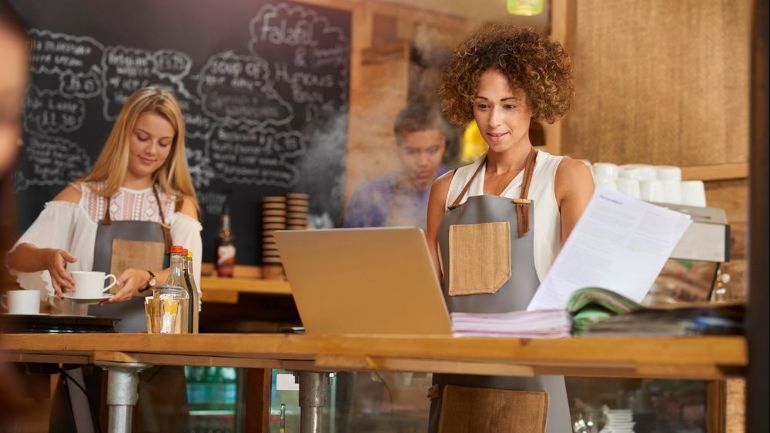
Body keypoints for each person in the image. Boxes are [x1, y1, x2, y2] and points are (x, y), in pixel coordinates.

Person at [425, 24, 594, 433]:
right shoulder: (446, 190)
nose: (494, 121)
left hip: (532, 381)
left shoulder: (566, 177)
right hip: (457, 379)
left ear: (535, 102)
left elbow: (581, 295)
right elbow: (428, 297)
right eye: (483, 105)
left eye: (508, 105)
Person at [6, 85, 202, 433]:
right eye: (143, 137)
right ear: (124, 133)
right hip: (87, 359)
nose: (152, 150)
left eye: (164, 142)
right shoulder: (82, 197)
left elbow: (187, 276)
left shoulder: (177, 206)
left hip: (157, 360)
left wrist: (147, 277)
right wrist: (48, 255)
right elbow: (18, 257)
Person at [343, 102, 449, 229]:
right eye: (412, 152)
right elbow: (350, 246)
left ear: (443, 145)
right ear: (396, 148)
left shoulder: (458, 189)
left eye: (432, 150)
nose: (423, 162)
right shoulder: (370, 196)